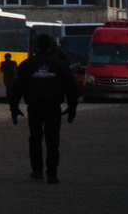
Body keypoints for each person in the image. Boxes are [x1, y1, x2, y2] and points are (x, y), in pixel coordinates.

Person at [9, 33, 78, 185]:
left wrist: (14, 108)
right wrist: (72, 107)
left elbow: (17, 88)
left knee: (35, 139)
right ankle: (52, 174)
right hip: (53, 106)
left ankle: (38, 171)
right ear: (52, 46)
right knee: (53, 141)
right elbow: (71, 88)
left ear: (37, 46)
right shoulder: (60, 65)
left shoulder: (27, 64)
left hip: (34, 106)